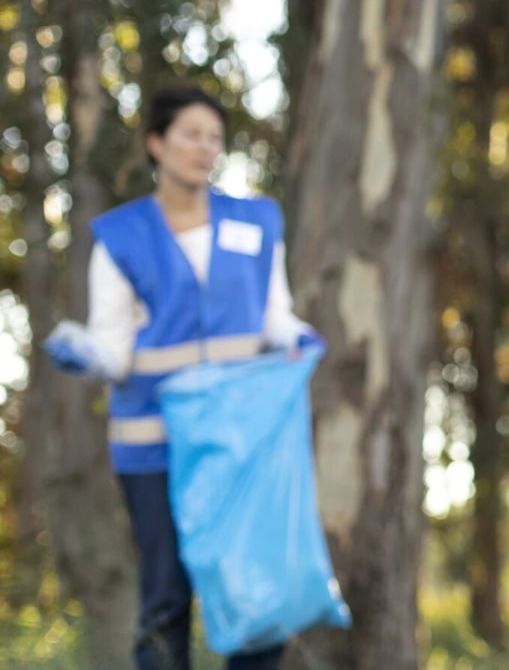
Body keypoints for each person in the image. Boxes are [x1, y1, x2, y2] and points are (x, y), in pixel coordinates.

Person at [43, 84, 317, 670]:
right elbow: (113, 351)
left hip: (239, 447)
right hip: (154, 449)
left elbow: (274, 317)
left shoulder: (255, 223)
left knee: (253, 601)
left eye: (214, 137)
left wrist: (299, 338)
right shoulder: (121, 237)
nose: (205, 147)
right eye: (191, 134)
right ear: (156, 143)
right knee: (165, 599)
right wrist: (85, 356)